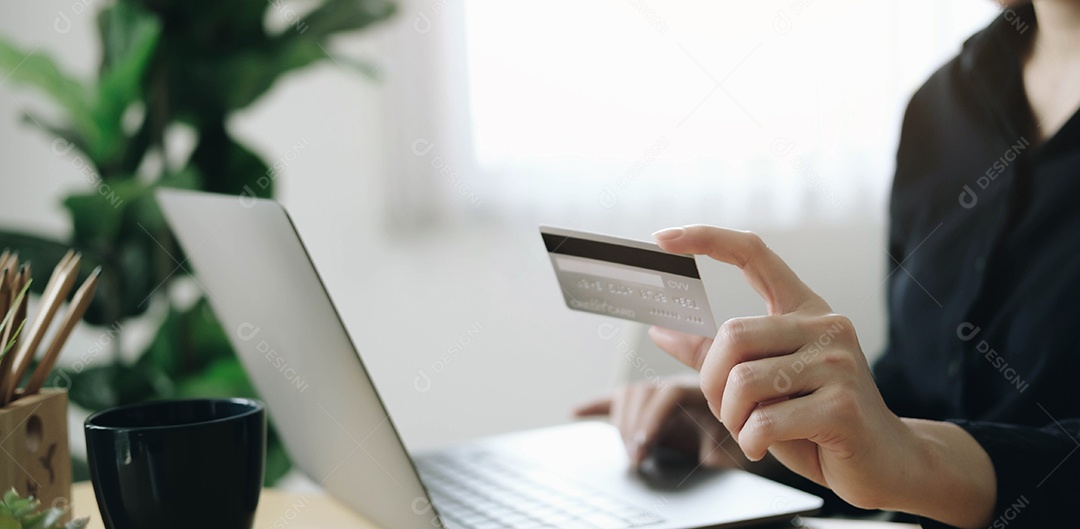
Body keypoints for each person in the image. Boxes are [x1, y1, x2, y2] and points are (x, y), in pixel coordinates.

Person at [574, 1, 1080, 526]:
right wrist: (774, 418)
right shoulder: (942, 105)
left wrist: (921, 461)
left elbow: (916, 454)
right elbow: (918, 387)